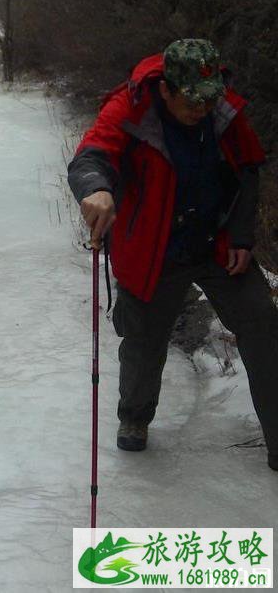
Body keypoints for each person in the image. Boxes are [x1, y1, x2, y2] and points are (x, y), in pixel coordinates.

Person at [68, 38, 278, 471]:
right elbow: (92, 155)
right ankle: (135, 418)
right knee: (144, 340)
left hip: (214, 244)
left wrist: (240, 236)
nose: (202, 110)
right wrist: (97, 189)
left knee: (262, 321)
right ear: (166, 88)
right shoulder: (130, 109)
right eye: (192, 102)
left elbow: (248, 169)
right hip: (152, 247)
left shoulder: (218, 107)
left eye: (208, 101)